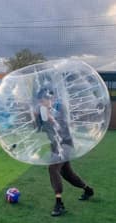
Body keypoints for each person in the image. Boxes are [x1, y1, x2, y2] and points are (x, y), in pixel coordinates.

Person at [36, 88, 94, 216]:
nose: (43, 102)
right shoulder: (43, 111)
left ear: (49, 99)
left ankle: (59, 203)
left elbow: (61, 126)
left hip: (66, 145)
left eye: (45, 99)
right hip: (56, 146)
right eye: (41, 100)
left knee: (52, 168)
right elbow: (42, 122)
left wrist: (53, 119)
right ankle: (88, 190)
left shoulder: (59, 109)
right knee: (68, 174)